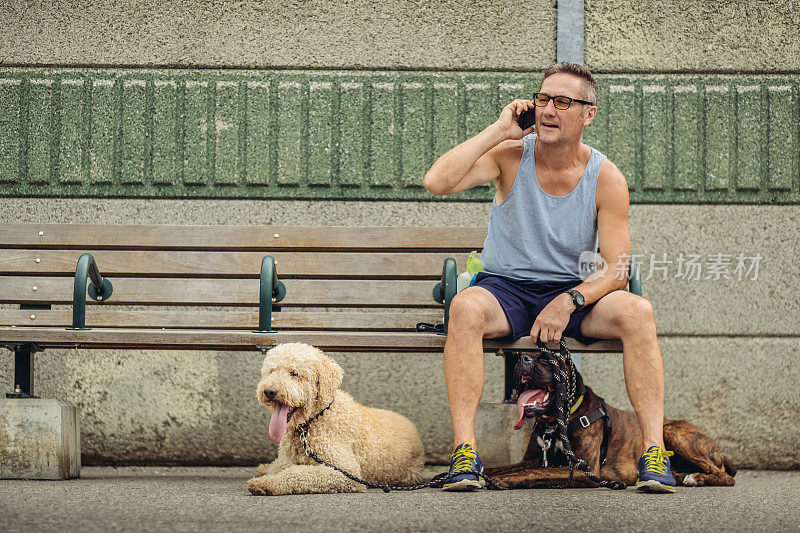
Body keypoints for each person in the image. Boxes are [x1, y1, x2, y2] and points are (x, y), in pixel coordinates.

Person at [423, 62, 676, 493]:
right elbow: (437, 182)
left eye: (563, 102)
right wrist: (499, 130)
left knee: (638, 312)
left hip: (574, 292)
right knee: (464, 307)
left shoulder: (606, 177)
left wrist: (571, 300)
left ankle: (654, 452)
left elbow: (617, 268)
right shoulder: (509, 156)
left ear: (588, 114)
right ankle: (464, 452)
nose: (549, 111)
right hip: (508, 289)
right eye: (543, 99)